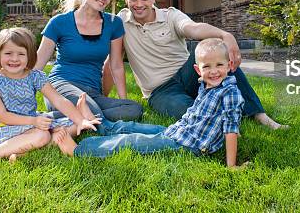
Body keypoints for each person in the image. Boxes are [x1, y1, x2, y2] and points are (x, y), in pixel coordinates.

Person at [104, 0, 286, 129]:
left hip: (190, 74)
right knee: (191, 114)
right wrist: (122, 101)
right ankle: (218, 116)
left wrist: (225, 35)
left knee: (219, 54)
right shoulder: (121, 23)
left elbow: (194, 28)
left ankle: (259, 115)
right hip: (160, 91)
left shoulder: (170, 15)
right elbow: (114, 63)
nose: (139, 4)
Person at [54, 38, 244, 167]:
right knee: (134, 127)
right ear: (197, 70)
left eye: (220, 65)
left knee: (132, 141)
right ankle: (103, 125)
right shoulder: (206, 84)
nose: (214, 71)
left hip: (188, 144)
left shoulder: (230, 94)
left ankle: (79, 150)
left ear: (229, 65)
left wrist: (231, 165)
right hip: (180, 131)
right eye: (207, 67)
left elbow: (231, 129)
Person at [0, 27, 100, 166]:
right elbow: (2, 115)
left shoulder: (35, 76)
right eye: (8, 53)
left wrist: (79, 121)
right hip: (3, 127)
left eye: (21, 54)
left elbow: (59, 100)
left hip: (31, 123)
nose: (14, 59)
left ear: (30, 55)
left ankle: (23, 154)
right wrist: (33, 121)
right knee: (43, 135)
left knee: (76, 125)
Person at [36, 0, 143, 122]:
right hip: (61, 86)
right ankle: (87, 117)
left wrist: (122, 101)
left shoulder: (113, 24)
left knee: (134, 109)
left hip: (93, 92)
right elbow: (37, 65)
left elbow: (116, 65)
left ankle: (56, 118)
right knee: (88, 108)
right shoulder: (59, 22)